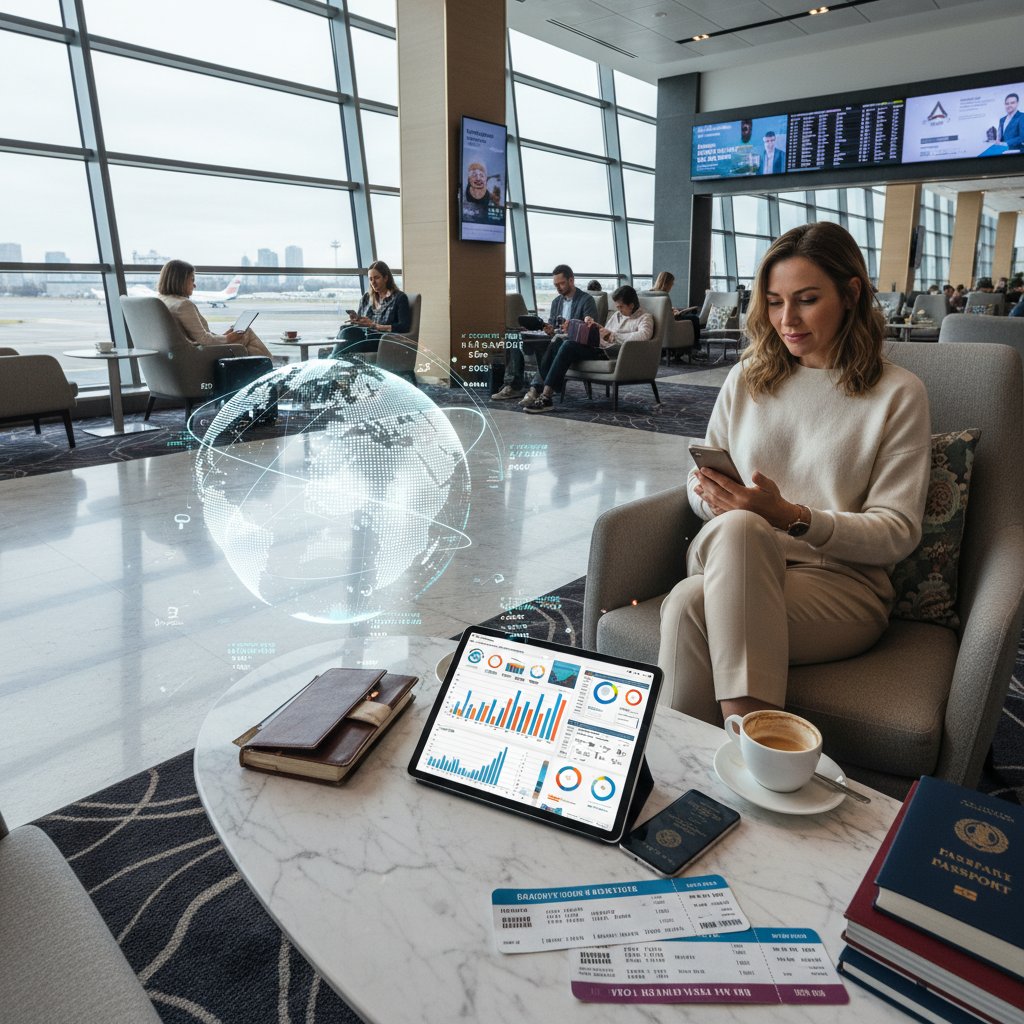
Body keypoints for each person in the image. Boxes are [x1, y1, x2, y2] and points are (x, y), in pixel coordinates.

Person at [657, 221, 931, 726]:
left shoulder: (898, 393)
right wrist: (715, 498)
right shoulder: (748, 375)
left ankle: (691, 774)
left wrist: (792, 517)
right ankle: (763, 757)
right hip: (730, 557)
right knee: (739, 527)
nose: (787, 319)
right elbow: (697, 481)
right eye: (775, 301)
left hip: (842, 589)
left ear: (851, 294)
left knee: (687, 606)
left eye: (806, 299)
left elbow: (898, 533)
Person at [523, 285, 653, 414]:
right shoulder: (617, 315)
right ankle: (544, 386)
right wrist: (595, 329)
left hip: (610, 353)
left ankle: (546, 396)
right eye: (617, 307)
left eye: (620, 307)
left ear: (631, 305)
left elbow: (643, 336)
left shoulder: (645, 317)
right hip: (598, 346)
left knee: (568, 346)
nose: (618, 310)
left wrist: (613, 336)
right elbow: (605, 332)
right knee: (558, 341)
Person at [494, 265, 597, 403]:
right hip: (554, 338)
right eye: (556, 285)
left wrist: (570, 327)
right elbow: (553, 326)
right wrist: (549, 329)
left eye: (561, 283)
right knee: (513, 337)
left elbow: (590, 329)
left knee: (556, 344)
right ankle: (513, 385)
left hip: (572, 343)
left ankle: (535, 389)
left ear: (571, 280)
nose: (558, 288)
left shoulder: (586, 300)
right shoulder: (556, 302)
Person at [157, 260, 271, 358]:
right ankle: (270, 369)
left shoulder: (163, 300)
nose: (194, 285)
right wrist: (227, 339)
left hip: (188, 351)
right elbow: (204, 340)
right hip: (203, 354)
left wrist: (224, 336)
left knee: (242, 334)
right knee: (247, 333)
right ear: (180, 281)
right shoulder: (183, 305)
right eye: (192, 279)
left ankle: (264, 368)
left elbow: (195, 336)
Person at [330, 260, 410, 357]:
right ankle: (334, 360)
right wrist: (356, 320)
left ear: (386, 278)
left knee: (346, 336)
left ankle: (331, 360)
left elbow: (404, 326)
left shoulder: (399, 298)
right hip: (364, 336)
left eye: (376, 278)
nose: (373, 283)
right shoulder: (366, 298)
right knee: (345, 330)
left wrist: (374, 325)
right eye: (370, 279)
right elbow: (360, 323)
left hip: (381, 341)